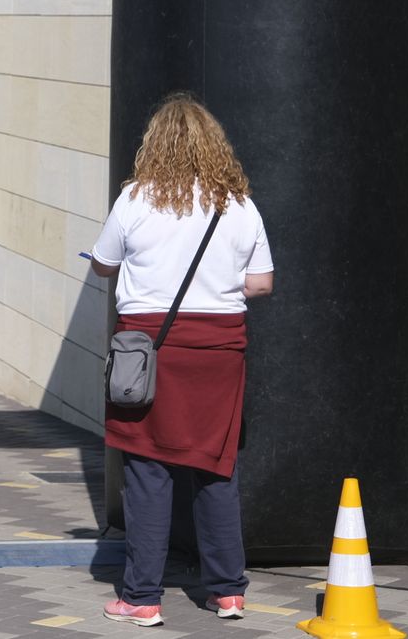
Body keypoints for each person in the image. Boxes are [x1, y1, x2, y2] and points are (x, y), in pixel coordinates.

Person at [89, 93, 273, 627]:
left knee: (147, 469)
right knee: (217, 467)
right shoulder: (238, 205)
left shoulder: (136, 200)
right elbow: (261, 282)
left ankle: (142, 597)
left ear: (155, 145)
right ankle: (227, 591)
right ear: (215, 147)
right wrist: (217, 284)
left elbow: (104, 265)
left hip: (149, 351)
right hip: (220, 352)